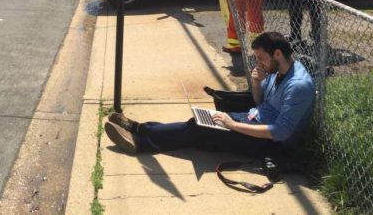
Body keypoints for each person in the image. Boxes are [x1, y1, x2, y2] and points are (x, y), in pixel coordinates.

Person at [104, 32, 315, 158]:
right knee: (199, 123)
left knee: (198, 129)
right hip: (252, 121)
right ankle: (139, 129)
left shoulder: (298, 86)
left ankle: (140, 139)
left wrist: (232, 125)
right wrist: (257, 83)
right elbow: (261, 102)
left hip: (270, 145)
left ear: (277, 54)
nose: (259, 63)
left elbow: (280, 132)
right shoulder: (277, 70)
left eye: (261, 58)